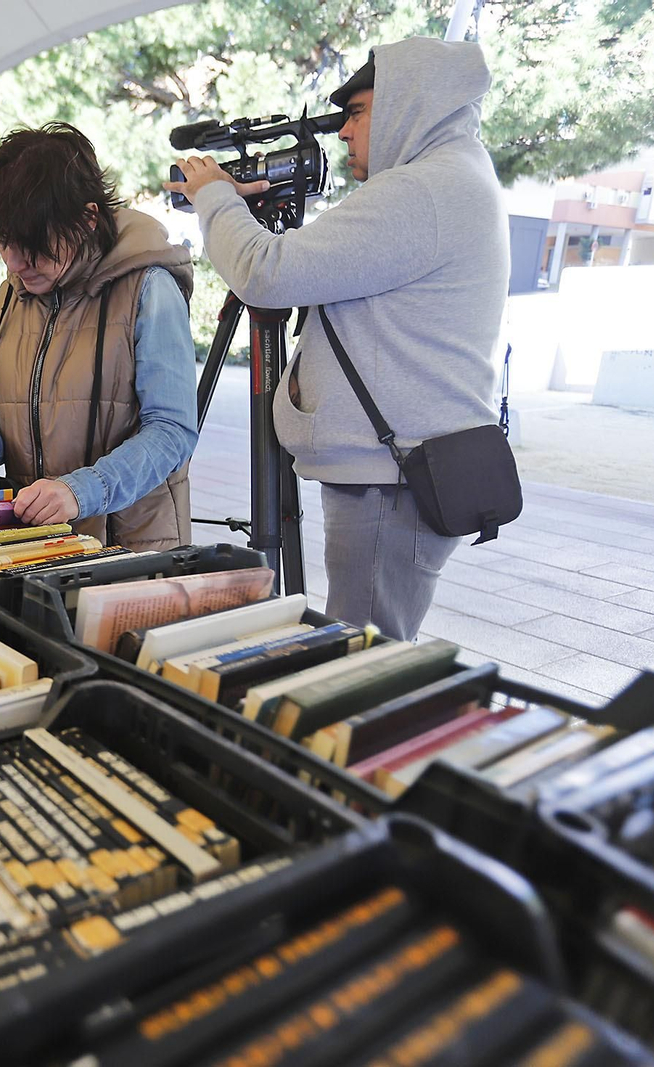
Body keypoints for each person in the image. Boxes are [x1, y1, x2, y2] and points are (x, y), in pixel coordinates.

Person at [166, 37, 508, 640]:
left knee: (364, 654)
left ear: (411, 103)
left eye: (358, 112)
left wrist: (214, 195)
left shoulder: (423, 190)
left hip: (394, 474)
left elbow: (266, 273)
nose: (344, 133)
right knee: (368, 641)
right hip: (401, 468)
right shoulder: (452, 180)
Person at [0, 123, 200, 551]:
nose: (15, 263)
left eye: (32, 244)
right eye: (3, 243)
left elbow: (172, 431)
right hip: (32, 540)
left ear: (88, 219)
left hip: (129, 547)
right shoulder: (6, 298)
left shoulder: (149, 289)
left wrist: (82, 491)